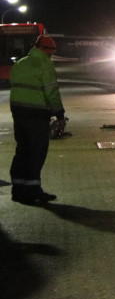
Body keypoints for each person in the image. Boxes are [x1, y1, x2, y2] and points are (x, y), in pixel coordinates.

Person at [9, 34, 64, 204]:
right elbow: (51, 91)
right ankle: (33, 190)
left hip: (18, 112)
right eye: (50, 52)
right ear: (44, 50)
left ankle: (18, 189)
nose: (51, 55)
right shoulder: (45, 65)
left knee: (22, 150)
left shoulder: (20, 63)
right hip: (36, 114)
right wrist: (59, 112)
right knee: (36, 152)